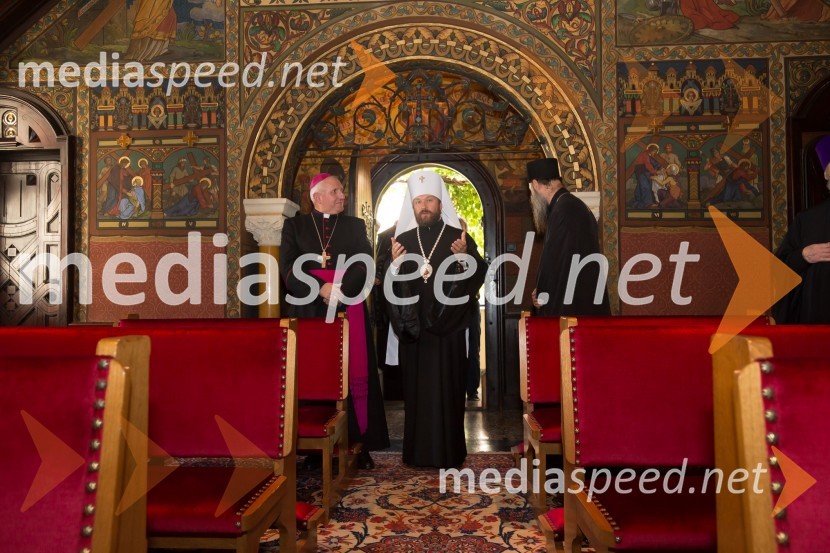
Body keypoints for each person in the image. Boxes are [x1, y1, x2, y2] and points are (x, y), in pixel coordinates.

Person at [281, 173, 390, 469]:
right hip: (309, 312)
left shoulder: (353, 226)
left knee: (350, 370)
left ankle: (358, 442)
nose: (343, 196)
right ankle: (315, 449)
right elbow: (288, 268)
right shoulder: (295, 226)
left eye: (342, 191)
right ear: (317, 197)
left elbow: (364, 261)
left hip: (347, 309)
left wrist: (341, 290)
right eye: (336, 191)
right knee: (316, 372)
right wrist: (320, 288)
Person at [385, 170, 486, 468]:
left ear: (441, 203)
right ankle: (417, 453)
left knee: (448, 391)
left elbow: (478, 275)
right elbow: (388, 288)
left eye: (430, 200)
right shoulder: (400, 241)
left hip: (449, 333)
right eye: (418, 202)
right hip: (415, 332)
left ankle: (450, 452)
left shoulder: (459, 237)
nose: (424, 206)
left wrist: (465, 257)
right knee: (417, 395)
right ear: (412, 206)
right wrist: (395, 265)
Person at [528, 158, 611, 316]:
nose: (531, 194)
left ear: (536, 184)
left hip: (571, 310)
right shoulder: (571, 205)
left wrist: (543, 294)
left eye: (531, 189)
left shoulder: (564, 210)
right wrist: (541, 290)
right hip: (581, 303)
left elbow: (558, 263)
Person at [772, 135, 830, 324]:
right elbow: (779, 270)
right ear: (827, 176)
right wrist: (804, 255)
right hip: (819, 319)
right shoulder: (808, 220)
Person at [458, 218, 482, 402]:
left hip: (470, 306)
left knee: (473, 347)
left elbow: (479, 269)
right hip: (450, 307)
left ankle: (472, 389)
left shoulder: (470, 245)